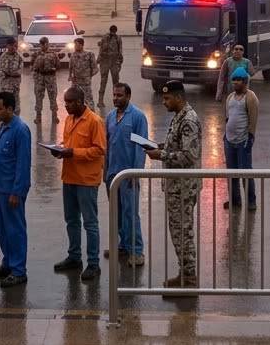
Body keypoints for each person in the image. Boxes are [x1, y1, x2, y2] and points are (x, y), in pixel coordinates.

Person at [146, 80, 202, 289]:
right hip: (176, 186)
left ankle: (189, 279)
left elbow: (189, 156)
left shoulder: (188, 120)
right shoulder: (179, 117)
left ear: (179, 98)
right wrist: (162, 146)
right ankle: (184, 274)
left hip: (183, 188)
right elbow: (179, 145)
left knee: (183, 234)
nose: (164, 102)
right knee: (178, 232)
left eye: (167, 98)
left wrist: (162, 155)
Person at [50, 87, 107, 281]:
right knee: (72, 221)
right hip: (70, 178)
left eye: (70, 102)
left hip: (86, 181)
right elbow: (69, 144)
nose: (66, 106)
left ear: (81, 101)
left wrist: (73, 152)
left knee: (90, 223)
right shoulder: (69, 119)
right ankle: (74, 257)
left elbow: (99, 150)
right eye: (65, 102)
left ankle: (93, 263)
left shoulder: (95, 121)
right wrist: (60, 150)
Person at [102, 82, 148, 264]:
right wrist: (105, 172)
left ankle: (137, 251)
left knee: (131, 213)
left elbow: (140, 146)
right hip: (112, 174)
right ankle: (123, 245)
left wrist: (135, 174)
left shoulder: (137, 117)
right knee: (117, 212)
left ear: (128, 97)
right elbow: (107, 146)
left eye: (119, 95)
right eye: (114, 95)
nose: (116, 98)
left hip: (128, 175)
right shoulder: (111, 117)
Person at [0, 91, 30, 288]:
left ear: (10, 109)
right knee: (3, 229)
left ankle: (19, 270)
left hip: (12, 191)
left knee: (15, 230)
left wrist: (17, 192)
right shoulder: (3, 126)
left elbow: (23, 164)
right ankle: (8, 263)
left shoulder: (20, 130)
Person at [222, 66, 258, 210]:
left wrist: (250, 137)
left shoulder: (250, 97)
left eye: (238, 80)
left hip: (243, 140)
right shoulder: (230, 97)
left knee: (246, 172)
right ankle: (234, 200)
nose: (235, 83)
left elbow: (253, 119)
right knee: (231, 173)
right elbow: (227, 117)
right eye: (233, 80)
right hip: (229, 140)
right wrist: (226, 136)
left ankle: (251, 201)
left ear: (245, 82)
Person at [31, 36, 60, 124]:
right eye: (42, 43)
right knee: (38, 97)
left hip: (50, 78)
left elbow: (58, 66)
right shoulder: (36, 54)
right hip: (40, 78)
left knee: (53, 97)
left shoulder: (53, 54)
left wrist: (52, 69)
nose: (43, 45)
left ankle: (54, 116)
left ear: (48, 43)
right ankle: (38, 117)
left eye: (45, 43)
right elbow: (32, 65)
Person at [96, 24, 124, 108]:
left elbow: (120, 51)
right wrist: (99, 60)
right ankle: (100, 101)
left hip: (114, 62)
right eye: (112, 32)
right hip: (105, 62)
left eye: (114, 32)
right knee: (103, 81)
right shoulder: (105, 37)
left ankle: (116, 100)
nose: (113, 33)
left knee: (115, 82)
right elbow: (101, 50)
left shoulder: (118, 38)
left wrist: (119, 63)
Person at [68, 37, 98, 103]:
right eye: (75, 45)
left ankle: (91, 112)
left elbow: (95, 68)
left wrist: (89, 76)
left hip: (85, 82)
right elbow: (70, 66)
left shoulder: (89, 54)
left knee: (88, 99)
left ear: (82, 45)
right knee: (74, 99)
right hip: (76, 81)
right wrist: (70, 76)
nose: (75, 47)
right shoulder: (73, 55)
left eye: (77, 45)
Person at [0, 37, 22, 103]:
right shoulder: (3, 56)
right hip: (6, 84)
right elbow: (5, 70)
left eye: (14, 45)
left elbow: (20, 70)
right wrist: (13, 73)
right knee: (6, 103)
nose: (13, 47)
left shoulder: (19, 57)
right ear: (7, 46)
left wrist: (14, 73)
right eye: (11, 45)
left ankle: (16, 113)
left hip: (15, 85)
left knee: (16, 104)